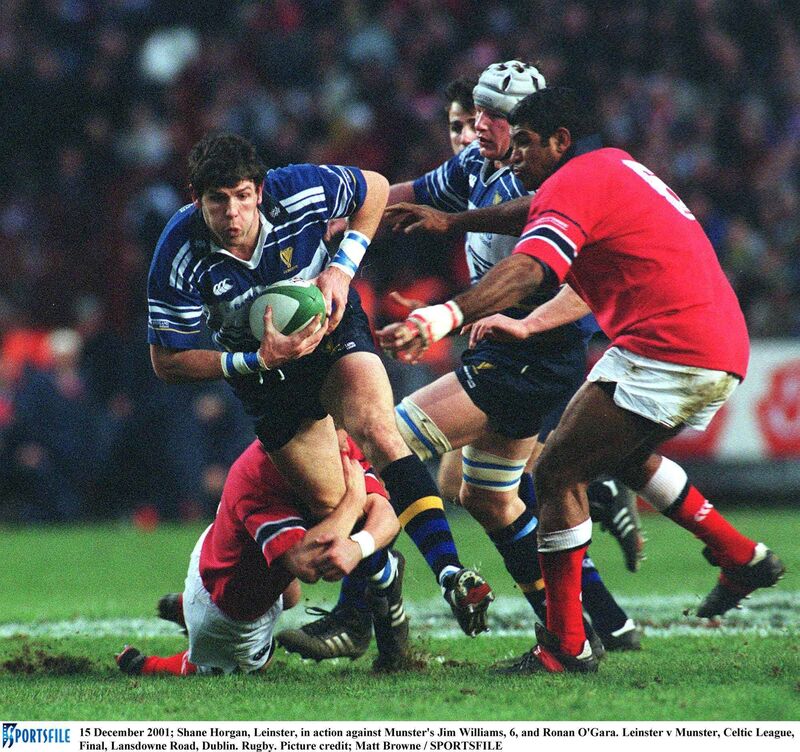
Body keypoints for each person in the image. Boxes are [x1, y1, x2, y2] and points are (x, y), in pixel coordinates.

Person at [379, 87, 786, 673]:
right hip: (712, 343)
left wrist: (442, 316)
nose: (513, 156)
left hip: (668, 349)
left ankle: (567, 646)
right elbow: (531, 211)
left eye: (524, 143)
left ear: (559, 141)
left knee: (555, 473)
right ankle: (739, 554)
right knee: (623, 456)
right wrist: (455, 221)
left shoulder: (576, 184)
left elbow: (530, 268)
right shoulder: (609, 166)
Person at [290, 62, 640, 664]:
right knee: (488, 497)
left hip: (529, 354)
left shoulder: (558, 185)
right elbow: (412, 193)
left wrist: (452, 310)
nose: (480, 126)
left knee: (388, 443)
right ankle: (577, 629)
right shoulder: (478, 165)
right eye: (477, 112)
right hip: (508, 352)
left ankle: (355, 616)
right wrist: (345, 217)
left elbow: (555, 262)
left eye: (496, 118)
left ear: (534, 128)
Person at [146, 133, 492, 637]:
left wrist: (341, 268)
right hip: (265, 377)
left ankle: (451, 574)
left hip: (331, 334)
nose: (233, 213)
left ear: (260, 191)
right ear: (196, 198)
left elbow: (374, 188)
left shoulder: (296, 189)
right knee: (335, 506)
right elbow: (167, 361)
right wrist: (255, 359)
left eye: (242, 196)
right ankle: (384, 581)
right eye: (218, 200)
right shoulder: (179, 249)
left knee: (379, 432)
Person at [116, 431, 407, 675]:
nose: (344, 440)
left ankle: (185, 608)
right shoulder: (260, 477)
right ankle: (156, 663)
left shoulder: (329, 437)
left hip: (220, 553)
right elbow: (307, 565)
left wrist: (359, 546)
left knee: (290, 595)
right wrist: (354, 502)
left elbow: (388, 513)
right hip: (225, 611)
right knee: (250, 665)